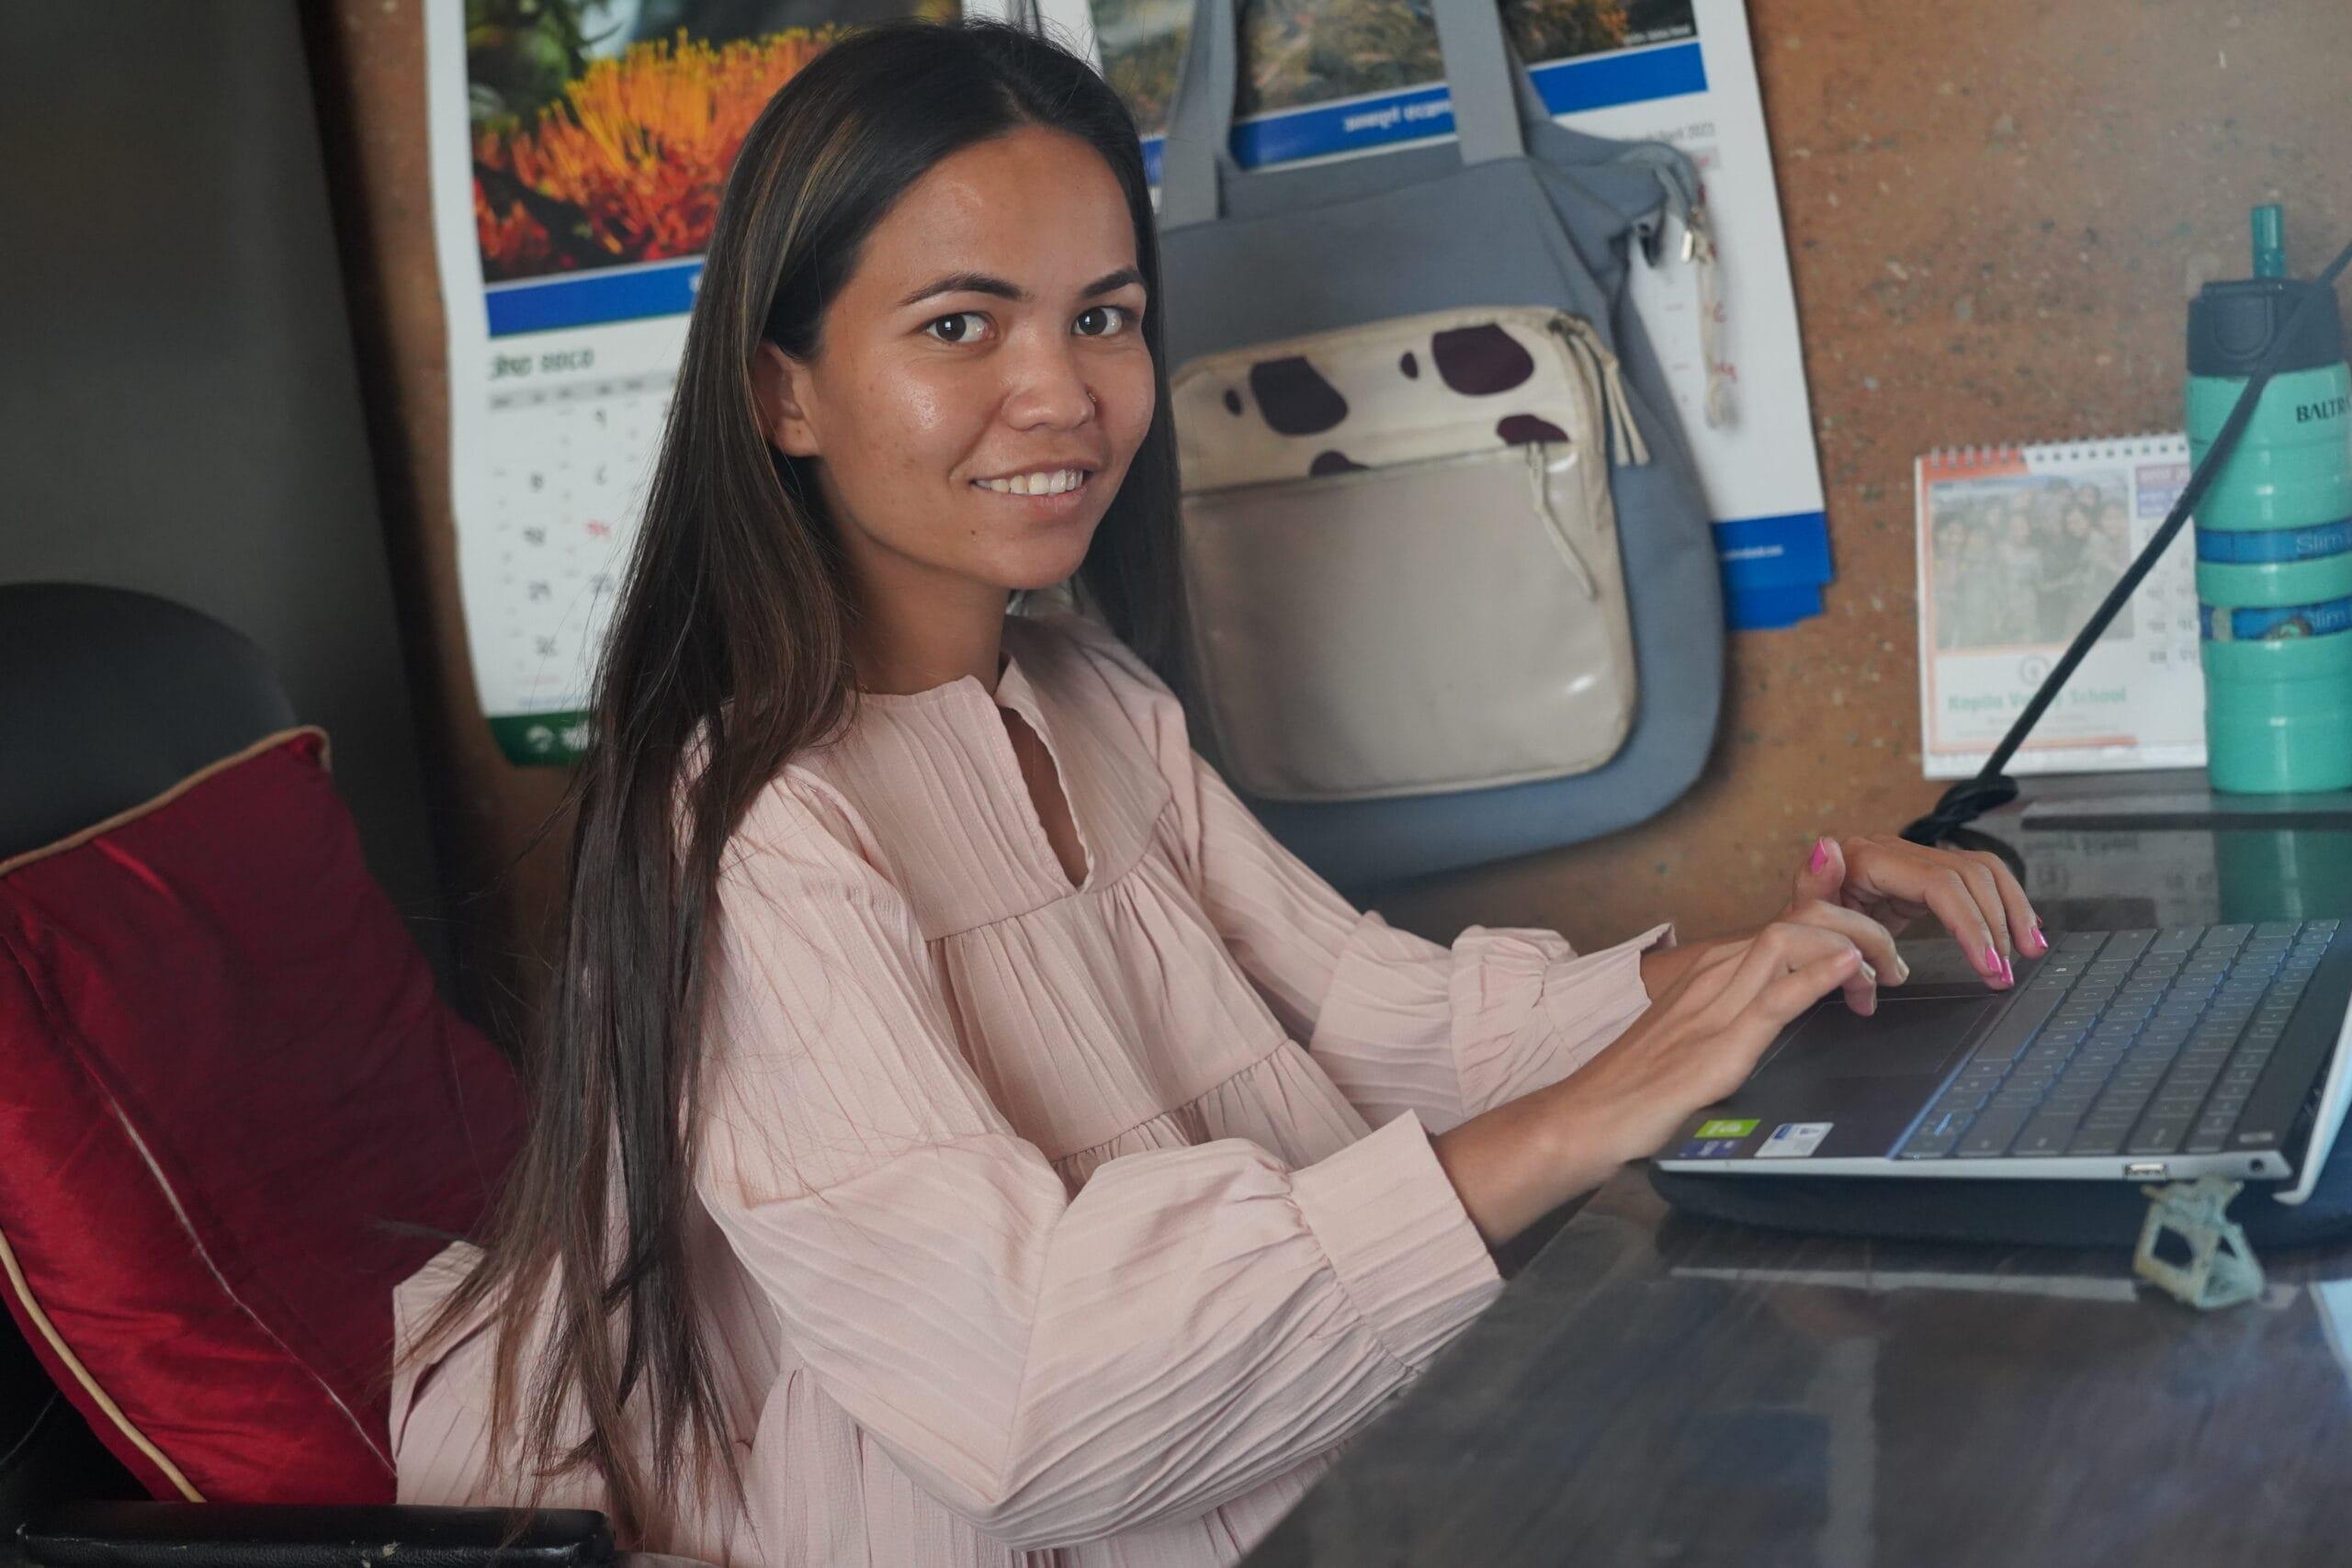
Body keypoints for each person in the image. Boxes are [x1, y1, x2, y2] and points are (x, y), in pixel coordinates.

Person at [390, 19, 2044, 1567]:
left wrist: (1767, 968)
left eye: (1102, 316)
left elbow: (1368, 1019)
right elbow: (1029, 1393)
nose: (1063, 395)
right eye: (960, 325)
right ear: (783, 393)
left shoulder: (1087, 687)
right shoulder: (753, 819)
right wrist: (1587, 1118)